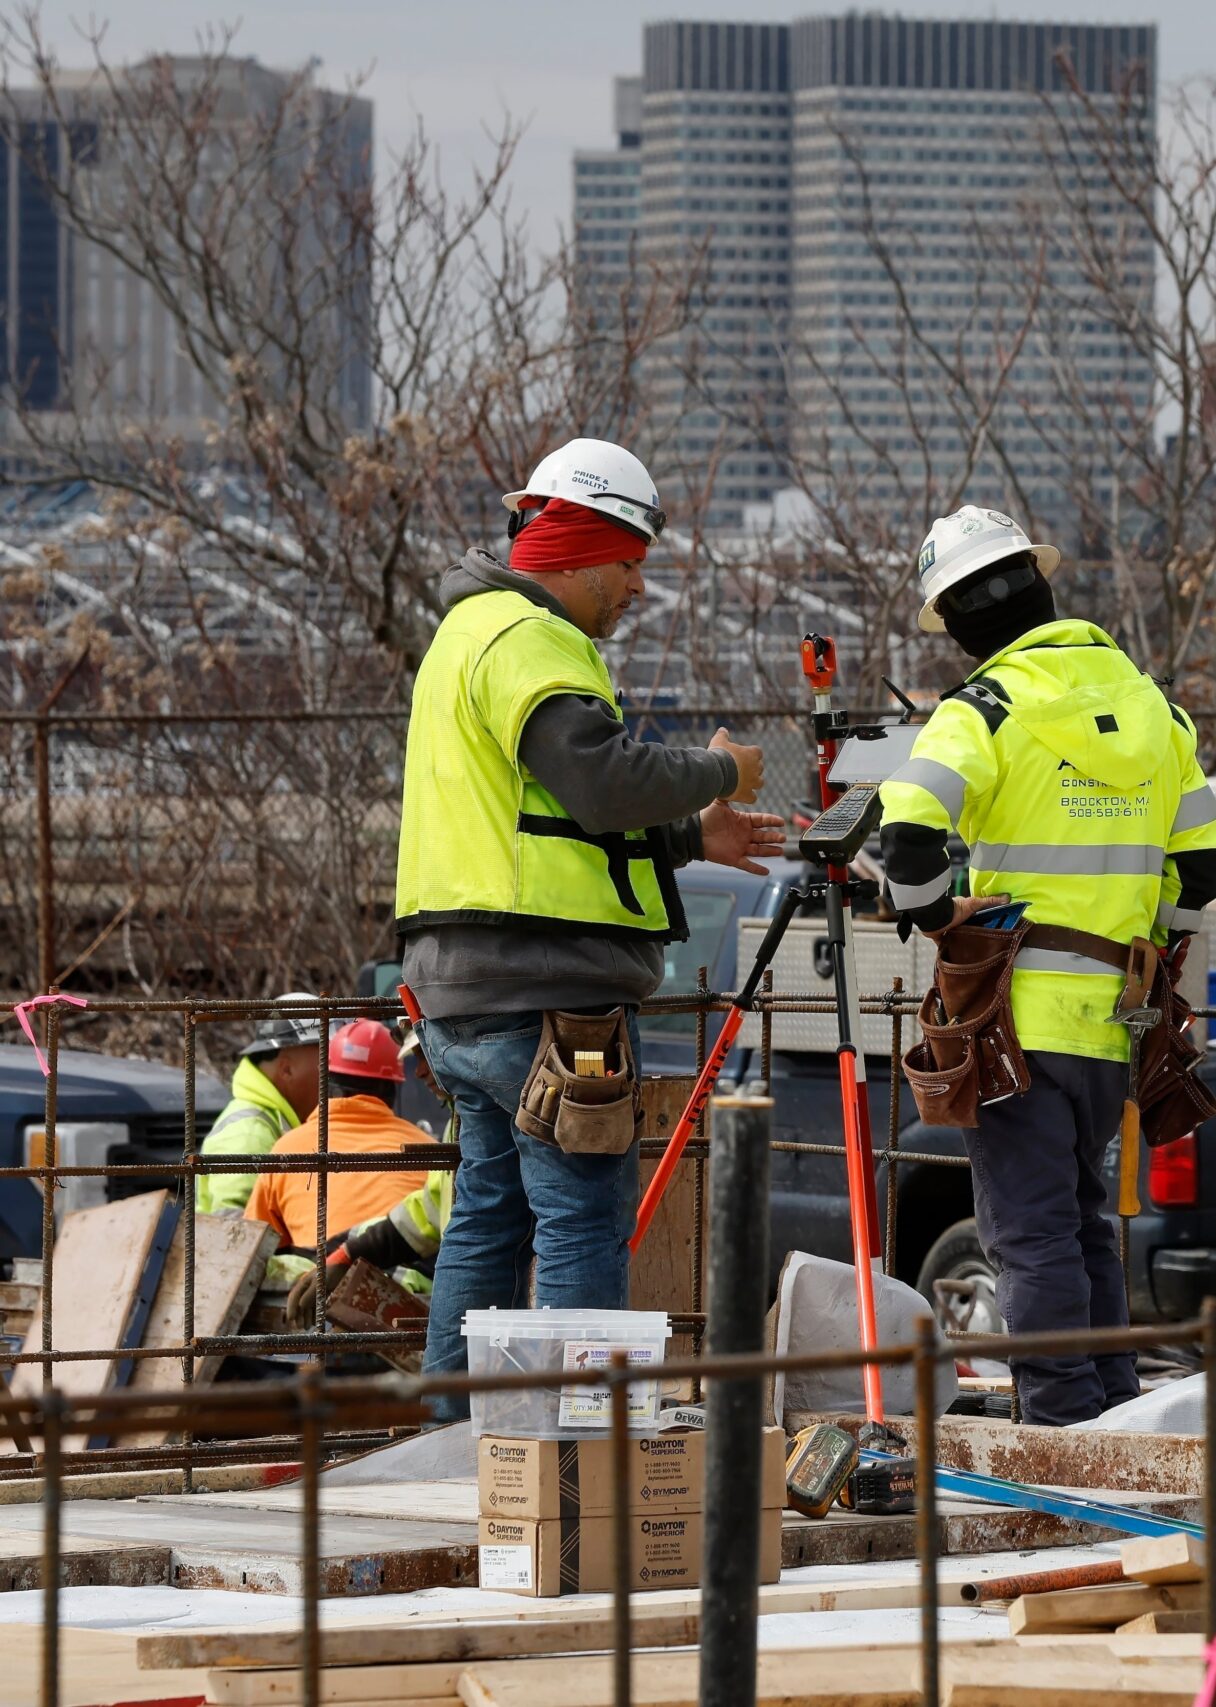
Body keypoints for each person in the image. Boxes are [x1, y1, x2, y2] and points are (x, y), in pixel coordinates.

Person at [397, 437, 785, 1416]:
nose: (635, 589)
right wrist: (719, 772)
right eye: (628, 565)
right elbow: (600, 780)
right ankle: (579, 1453)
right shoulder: (531, 642)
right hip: (546, 992)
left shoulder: (466, 635)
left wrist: (692, 836)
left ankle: (456, 1439)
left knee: (487, 1215)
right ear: (576, 549)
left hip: (468, 985)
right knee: (580, 1216)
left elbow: (545, 826)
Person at [875, 504, 1216, 1426]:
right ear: (1040, 583)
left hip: (1011, 1024)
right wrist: (1149, 938)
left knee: (1028, 1233)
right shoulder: (1152, 706)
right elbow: (1203, 868)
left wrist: (925, 912)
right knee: (1083, 1227)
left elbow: (905, 834)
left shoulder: (984, 709)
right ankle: (1115, 1416)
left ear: (953, 620)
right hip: (1116, 1020)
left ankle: (1064, 1426)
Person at [246, 1019, 436, 1280]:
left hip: (319, 1292)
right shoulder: (427, 1149)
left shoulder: (287, 1148)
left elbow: (254, 1244)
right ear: (393, 1085)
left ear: (326, 1084)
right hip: (409, 1290)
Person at [198, 993, 325, 1215]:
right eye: (325, 1062)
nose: (332, 1074)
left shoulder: (276, 1120)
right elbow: (233, 1234)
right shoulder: (248, 1133)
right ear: (287, 1070)